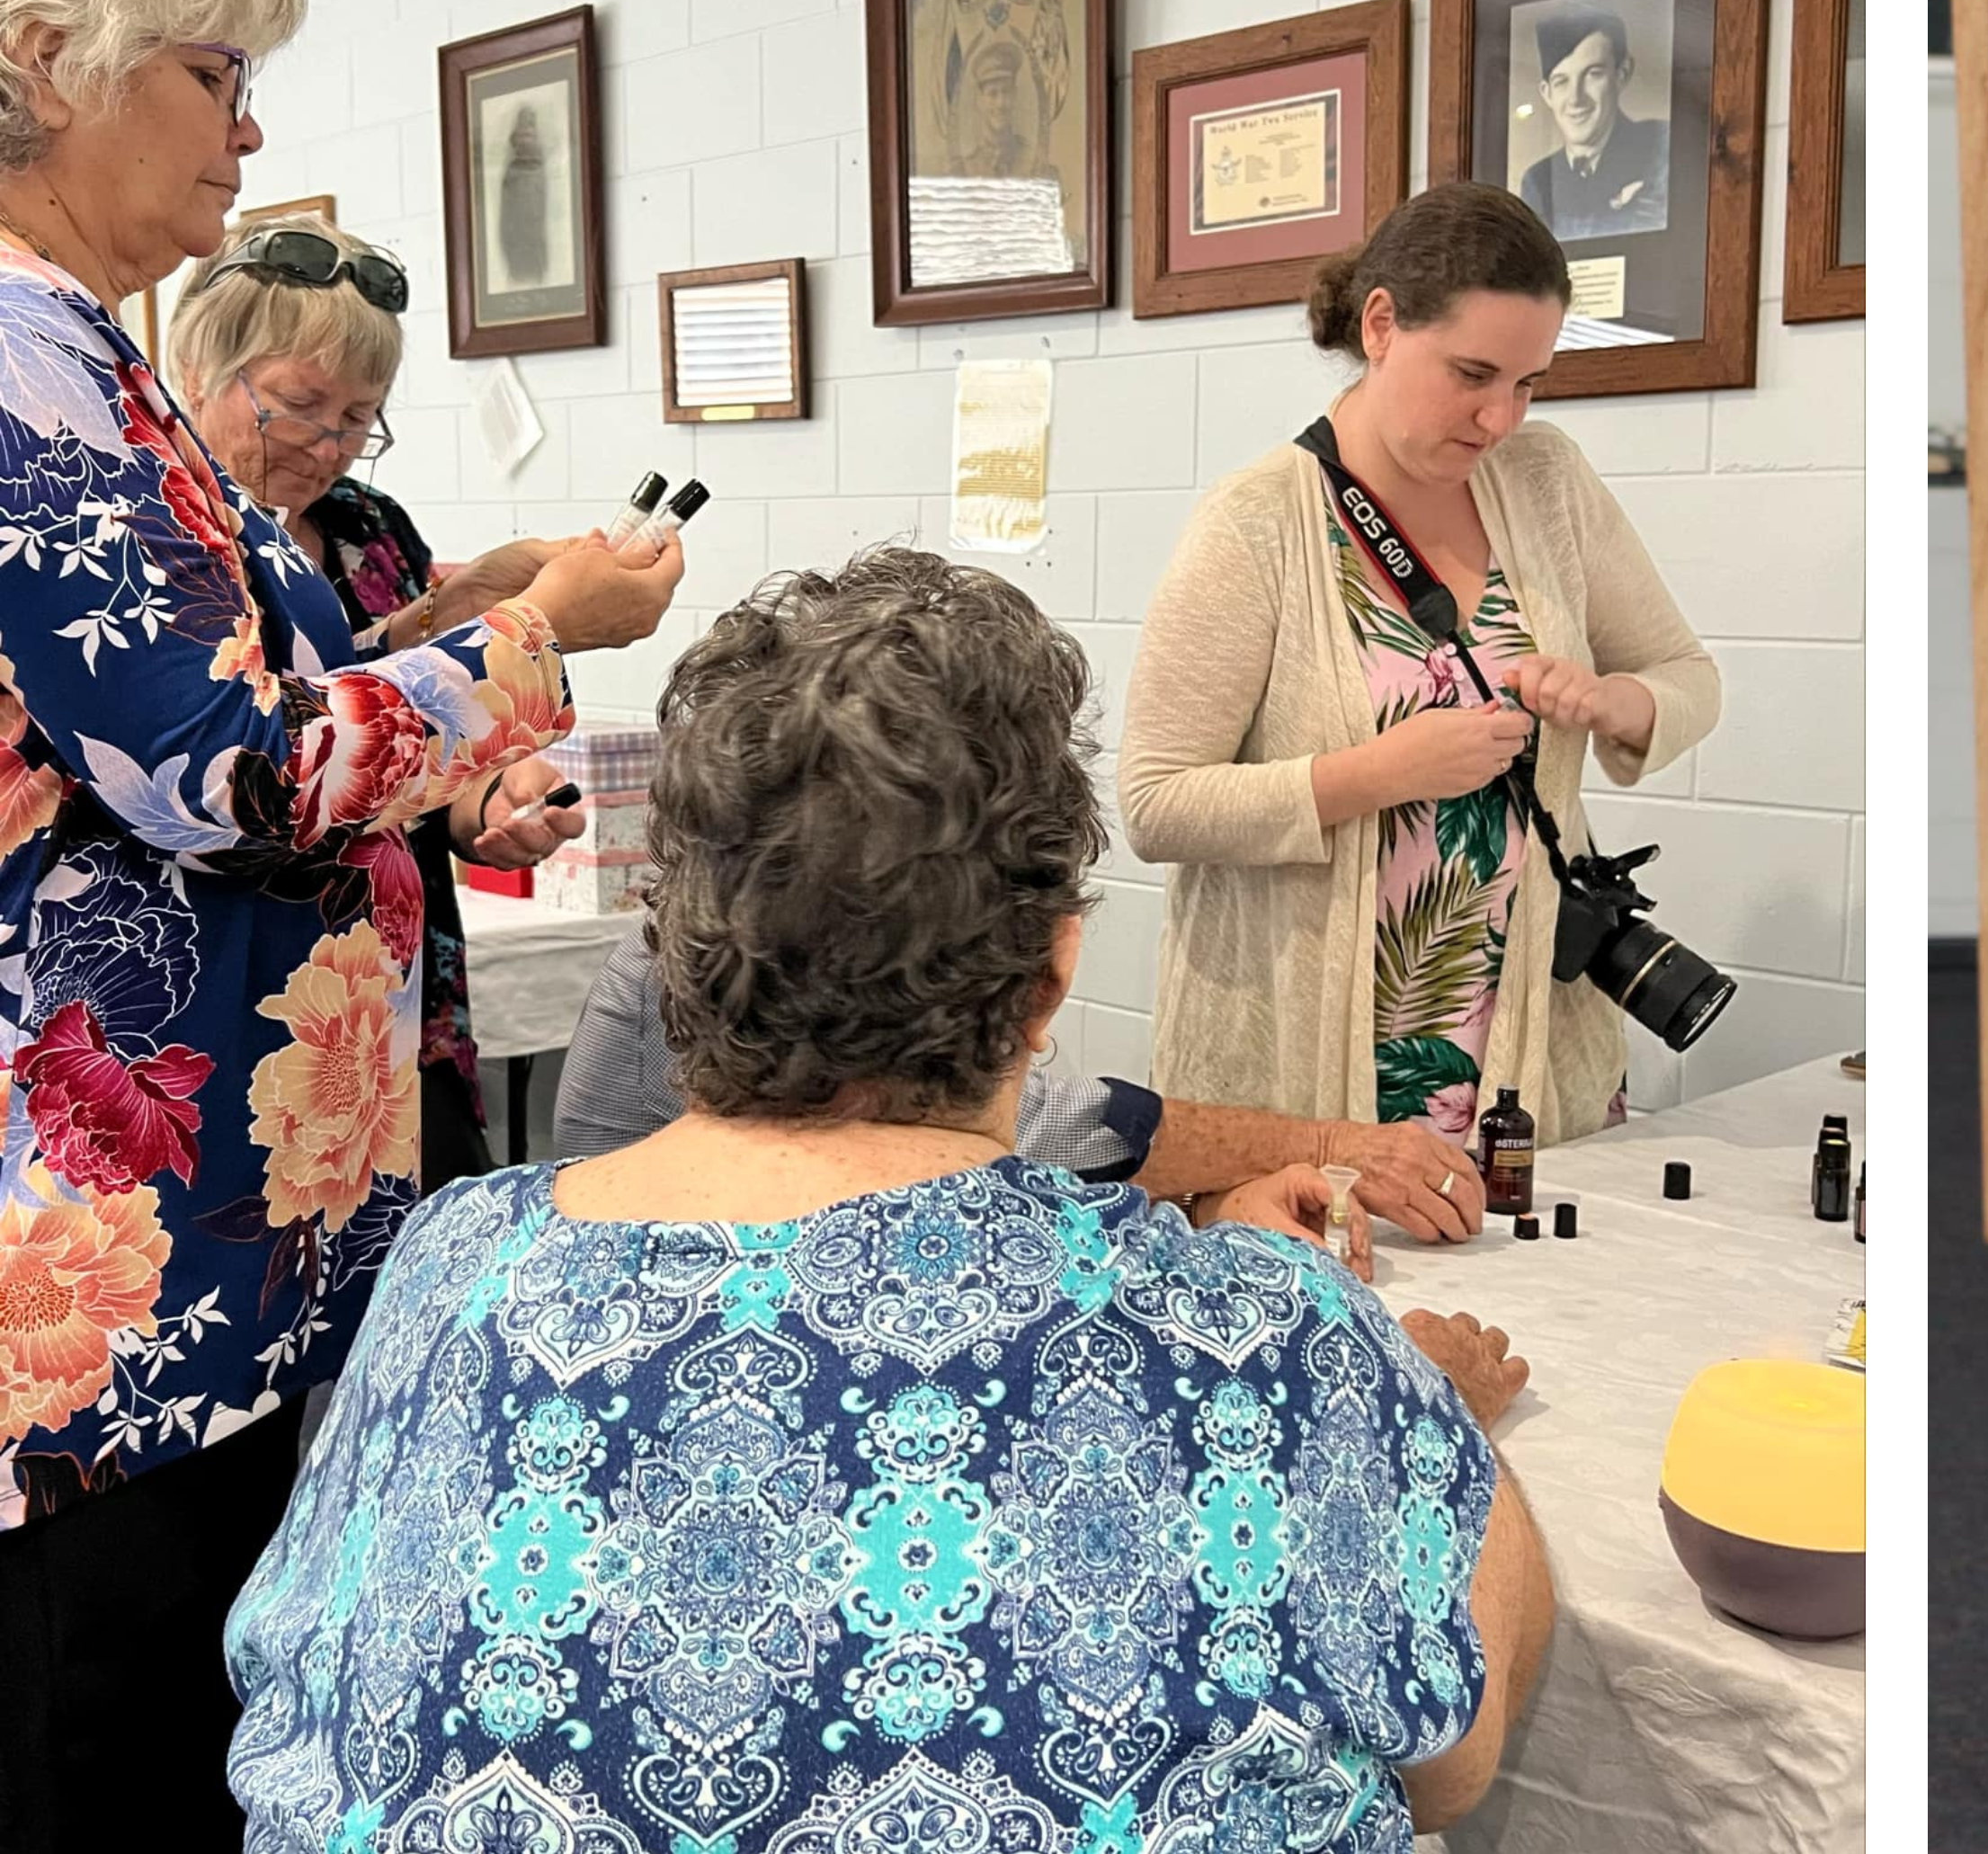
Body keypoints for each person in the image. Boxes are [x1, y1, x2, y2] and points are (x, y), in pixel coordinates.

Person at [223, 548, 1553, 1850]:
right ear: (1053, 971)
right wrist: (1432, 1410)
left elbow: (285, 1680)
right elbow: (1454, 1760)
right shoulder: (1280, 1333)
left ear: (670, 931)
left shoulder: (456, 1262)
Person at [0, 0, 682, 1849]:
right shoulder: (22, 365)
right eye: (214, 77)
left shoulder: (89, 369)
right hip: (114, 1291)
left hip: (204, 1255)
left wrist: (457, 738)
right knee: (103, 1752)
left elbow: (259, 737)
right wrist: (531, 632)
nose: (244, 137)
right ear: (49, 54)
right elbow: (235, 770)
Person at [1123, 183, 1720, 1150]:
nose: (1499, 419)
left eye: (1529, 383)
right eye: (1473, 373)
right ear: (1382, 324)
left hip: (1522, 1045)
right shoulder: (1258, 521)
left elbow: (1686, 673)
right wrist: (1378, 775)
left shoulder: (1544, 480)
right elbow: (1157, 805)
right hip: (1311, 1072)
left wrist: (1620, 702)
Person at [172, 215, 596, 1188]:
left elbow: (414, 753)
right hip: (231, 1007)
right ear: (199, 365)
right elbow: (260, 761)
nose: (329, 443)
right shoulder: (165, 539)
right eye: (299, 403)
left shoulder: (367, 530)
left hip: (402, 1005)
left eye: (360, 417)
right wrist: (523, 633)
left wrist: (487, 802)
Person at [549, 923, 1492, 1245]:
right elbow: (1079, 1133)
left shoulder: (463, 1242)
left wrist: (1211, 1213)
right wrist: (1331, 1148)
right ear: (1056, 967)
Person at [1516, 5, 1669, 237]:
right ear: (1546, 93)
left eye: (1592, 74)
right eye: (1561, 82)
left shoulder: (1662, 145)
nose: (1576, 99)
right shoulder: (1537, 179)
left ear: (1622, 73)